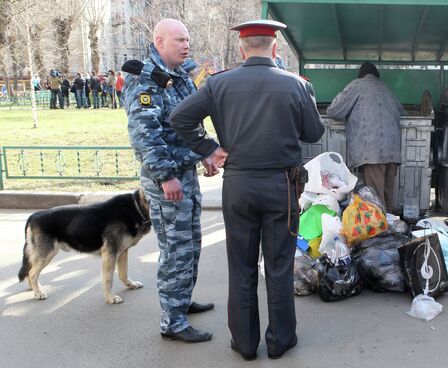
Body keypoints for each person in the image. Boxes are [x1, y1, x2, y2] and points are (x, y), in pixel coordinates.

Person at [169, 19, 324, 360]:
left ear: (241, 48)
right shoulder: (296, 85)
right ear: (275, 48)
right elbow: (313, 133)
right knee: (279, 266)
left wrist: (209, 148)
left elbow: (180, 118)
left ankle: (244, 344)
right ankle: (280, 341)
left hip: (237, 185)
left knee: (241, 267)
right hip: (280, 187)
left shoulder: (219, 83)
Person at [123, 18, 219, 343]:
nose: (186, 45)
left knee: (191, 244)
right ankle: (172, 323)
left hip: (185, 174)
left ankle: (182, 303)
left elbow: (188, 123)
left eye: (187, 39)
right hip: (167, 181)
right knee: (175, 250)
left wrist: (204, 154)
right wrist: (166, 176)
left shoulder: (178, 78)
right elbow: (144, 134)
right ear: (159, 42)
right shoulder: (144, 80)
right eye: (179, 40)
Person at [326, 62, 405, 213]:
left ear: (360, 76)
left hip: (372, 150)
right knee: (388, 200)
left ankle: (379, 232)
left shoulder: (356, 85)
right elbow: (402, 112)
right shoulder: (386, 88)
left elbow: (334, 111)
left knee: (374, 199)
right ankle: (390, 228)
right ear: (377, 76)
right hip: (393, 150)